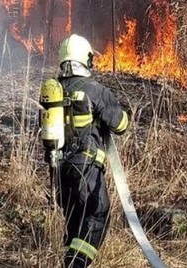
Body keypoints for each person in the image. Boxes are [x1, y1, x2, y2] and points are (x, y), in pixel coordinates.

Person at [54, 34, 130, 268]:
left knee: (75, 221)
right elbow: (121, 125)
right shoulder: (95, 90)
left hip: (59, 171)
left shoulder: (54, 90)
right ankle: (75, 265)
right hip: (86, 170)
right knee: (97, 215)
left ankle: (69, 261)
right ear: (86, 60)